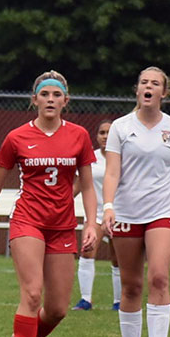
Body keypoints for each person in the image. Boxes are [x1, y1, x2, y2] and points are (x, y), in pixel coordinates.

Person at [0, 71, 97, 337]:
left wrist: (91, 223)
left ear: (66, 100)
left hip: (62, 227)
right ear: (34, 99)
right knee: (33, 293)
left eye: (56, 94)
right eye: (45, 94)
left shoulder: (78, 136)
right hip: (27, 221)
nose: (51, 99)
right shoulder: (17, 137)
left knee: (58, 309)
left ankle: (23, 336)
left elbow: (88, 187)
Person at [102, 66, 170, 337]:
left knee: (159, 276)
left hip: (163, 211)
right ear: (137, 90)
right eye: (144, 83)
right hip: (126, 213)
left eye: (156, 83)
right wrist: (108, 206)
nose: (149, 87)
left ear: (164, 93)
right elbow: (112, 172)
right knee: (132, 284)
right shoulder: (121, 128)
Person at [74, 120, 119, 311]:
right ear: (97, 136)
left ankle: (119, 302)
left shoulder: (122, 156)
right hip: (96, 215)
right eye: (102, 132)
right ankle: (85, 300)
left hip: (120, 215)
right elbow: (78, 185)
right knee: (86, 251)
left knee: (118, 259)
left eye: (109, 133)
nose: (106, 136)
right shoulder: (90, 158)